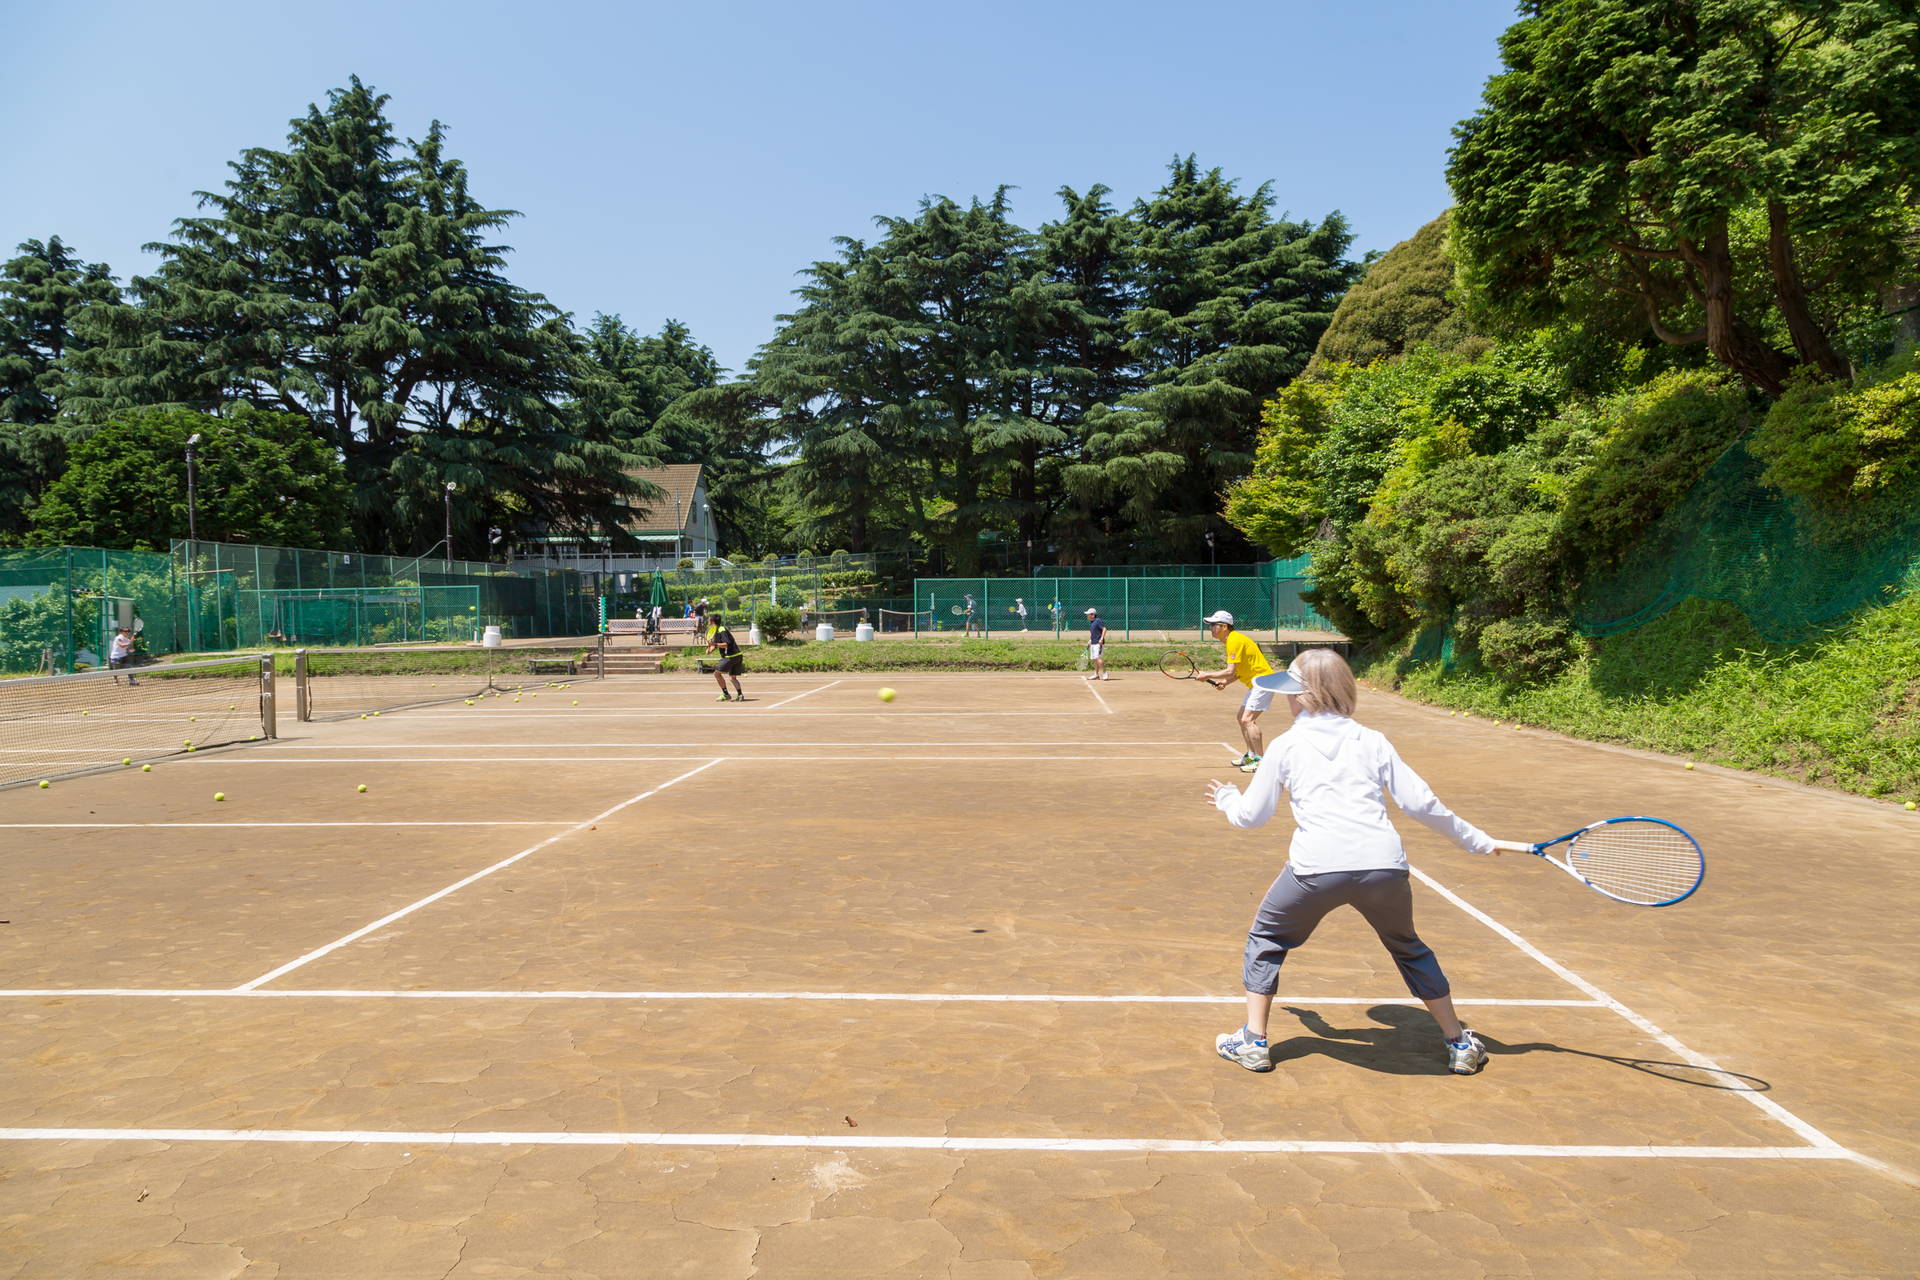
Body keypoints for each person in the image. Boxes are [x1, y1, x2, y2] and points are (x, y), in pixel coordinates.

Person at [1204, 648, 1519, 1077]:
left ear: (1304, 696)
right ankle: (1459, 1042)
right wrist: (1476, 841)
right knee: (1408, 946)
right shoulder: (1372, 740)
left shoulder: (1286, 745)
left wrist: (1228, 799)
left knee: (1268, 938)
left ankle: (1254, 1042)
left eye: (1291, 691)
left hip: (1315, 868)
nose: (1287, 698)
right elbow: (1420, 803)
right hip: (1383, 866)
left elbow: (1251, 817)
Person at [1194, 610, 1274, 771]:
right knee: (1241, 718)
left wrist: (1207, 675)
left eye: (1214, 625)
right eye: (1210, 625)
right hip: (1256, 682)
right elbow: (1238, 672)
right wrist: (1224, 683)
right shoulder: (1232, 640)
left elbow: (1230, 671)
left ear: (1224, 626)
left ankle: (1260, 760)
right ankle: (1251, 755)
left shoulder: (1234, 640)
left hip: (1263, 682)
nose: (1211, 628)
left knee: (1247, 720)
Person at [705, 614, 747, 702]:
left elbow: (726, 644)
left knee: (717, 674)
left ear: (712, 621)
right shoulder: (716, 630)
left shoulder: (721, 629)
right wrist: (709, 649)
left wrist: (714, 644)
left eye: (709, 619)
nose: (707, 621)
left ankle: (726, 694)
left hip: (730, 657)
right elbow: (714, 646)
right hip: (737, 656)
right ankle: (740, 695)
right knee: (732, 678)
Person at [1084, 607, 1111, 681]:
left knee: (1097, 658)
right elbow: (1094, 633)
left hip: (1098, 644)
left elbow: (1104, 629)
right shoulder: (1091, 623)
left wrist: (1101, 638)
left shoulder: (1098, 620)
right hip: (1093, 643)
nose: (1087, 616)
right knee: (1095, 660)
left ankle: (1105, 673)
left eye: (1088, 614)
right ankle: (1096, 675)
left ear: (1093, 615)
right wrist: (1090, 640)